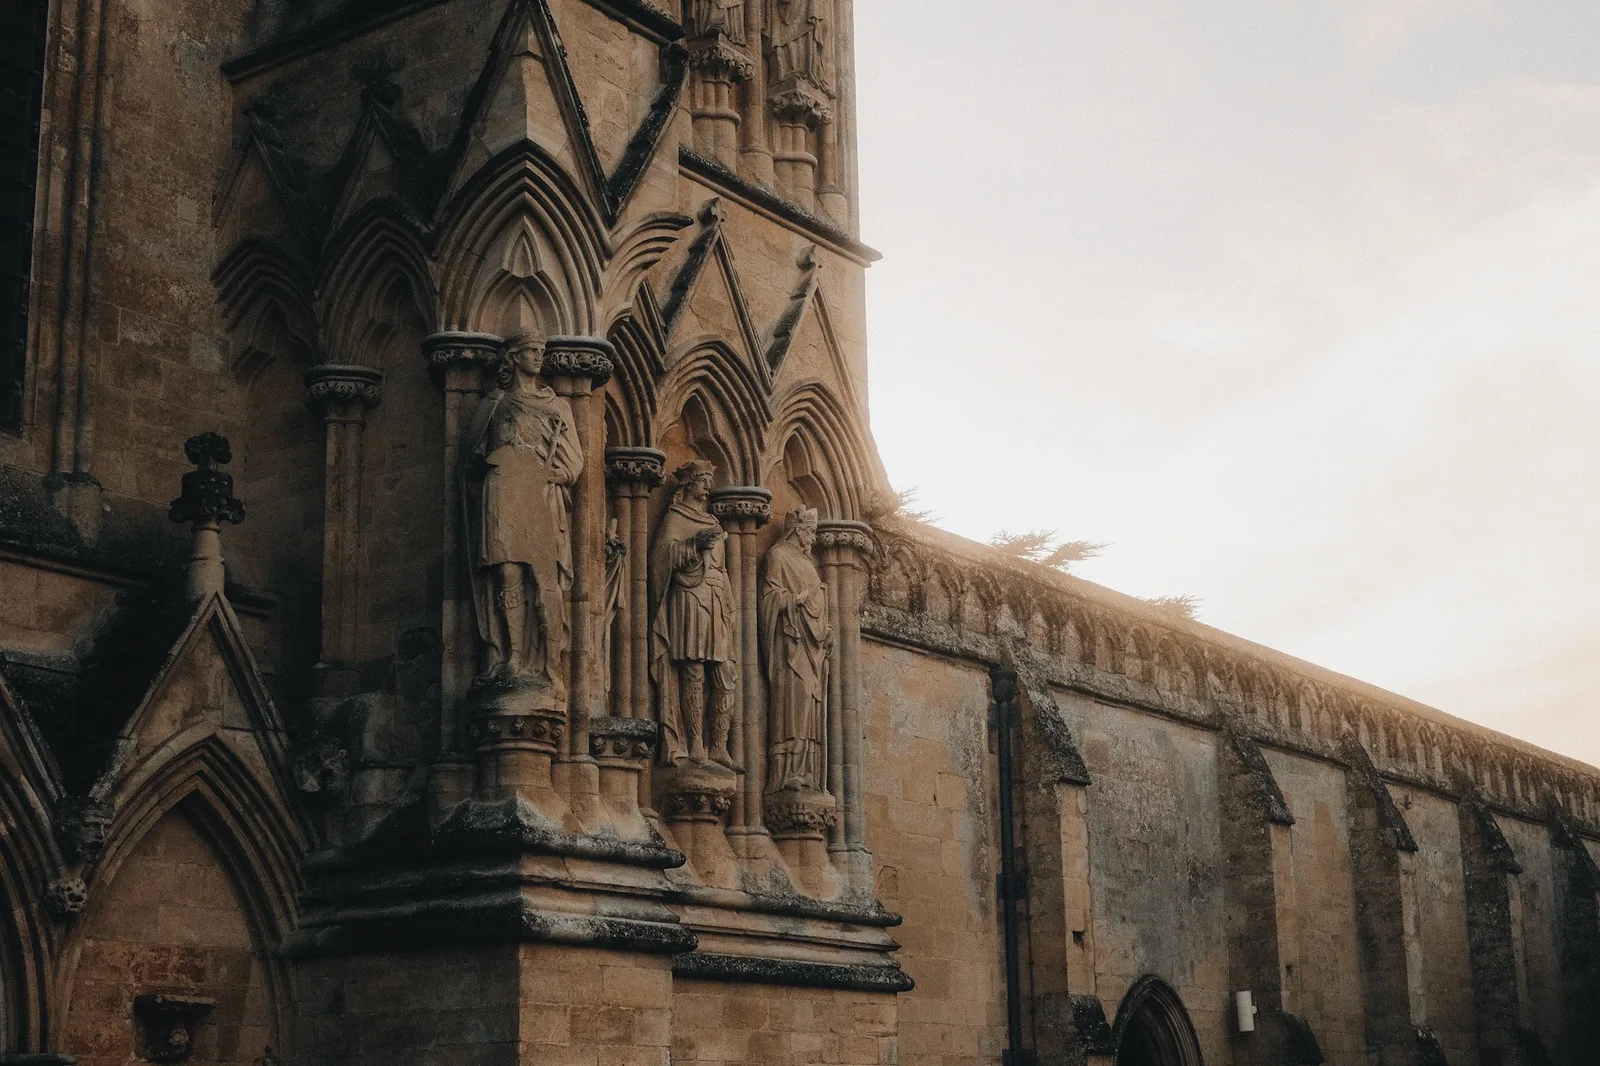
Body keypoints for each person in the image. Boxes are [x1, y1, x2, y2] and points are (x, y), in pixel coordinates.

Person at [462, 333, 582, 689]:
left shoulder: (557, 406)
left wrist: (563, 472)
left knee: (545, 580)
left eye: (542, 352)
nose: (539, 357)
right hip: (503, 491)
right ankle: (512, 656)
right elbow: (472, 455)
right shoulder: (495, 404)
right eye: (532, 351)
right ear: (513, 358)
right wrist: (491, 458)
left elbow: (574, 457)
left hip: (541, 494)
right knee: (508, 575)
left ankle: (550, 664)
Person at [650, 460, 738, 767]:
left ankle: (719, 746)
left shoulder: (713, 521)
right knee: (694, 671)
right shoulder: (676, 517)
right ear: (689, 484)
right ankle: (695, 744)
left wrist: (729, 604)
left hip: (715, 600)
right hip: (688, 599)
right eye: (703, 480)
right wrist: (693, 545)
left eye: (709, 480)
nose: (708, 486)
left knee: (726, 673)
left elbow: (723, 570)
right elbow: (661, 559)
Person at [761, 507, 831, 793]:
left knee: (810, 708)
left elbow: (819, 601)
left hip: (813, 646)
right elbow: (769, 597)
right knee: (793, 704)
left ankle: (806, 772)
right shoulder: (777, 556)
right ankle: (786, 771)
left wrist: (827, 630)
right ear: (797, 530)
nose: (812, 538)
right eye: (809, 532)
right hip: (789, 644)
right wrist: (794, 601)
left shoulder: (807, 563)